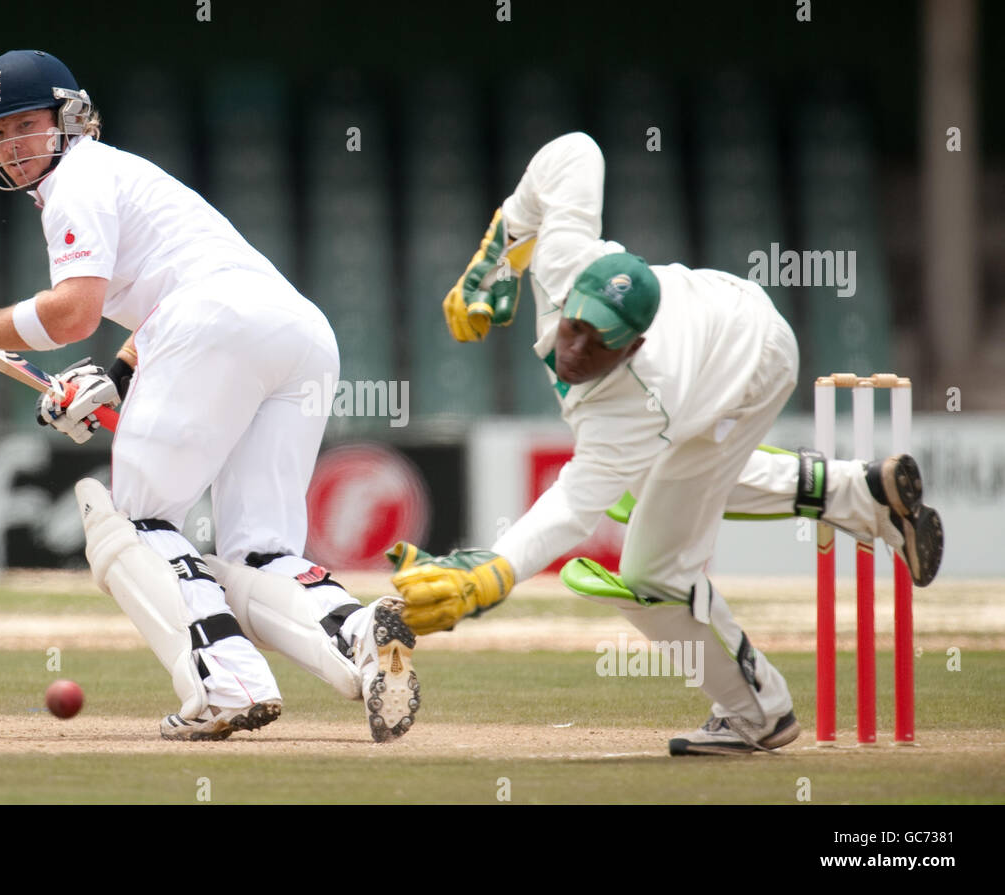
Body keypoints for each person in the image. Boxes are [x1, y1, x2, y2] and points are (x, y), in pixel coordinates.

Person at [0, 49, 419, 743]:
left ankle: (228, 683)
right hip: (298, 333)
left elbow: (74, 313)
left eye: (26, 125)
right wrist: (119, 375)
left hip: (213, 322)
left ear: (70, 118)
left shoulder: (75, 179)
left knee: (133, 524)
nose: (12, 145)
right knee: (259, 551)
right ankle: (360, 632)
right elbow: (175, 289)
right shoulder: (123, 173)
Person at [388, 132, 943, 755]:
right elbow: (574, 151)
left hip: (750, 367)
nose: (574, 350)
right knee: (673, 483)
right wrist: (502, 251)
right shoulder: (564, 260)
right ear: (571, 294)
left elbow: (575, 503)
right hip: (726, 312)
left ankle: (758, 712)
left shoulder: (642, 398)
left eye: (600, 343)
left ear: (634, 346)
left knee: (653, 572)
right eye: (574, 327)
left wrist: (494, 571)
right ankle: (862, 493)